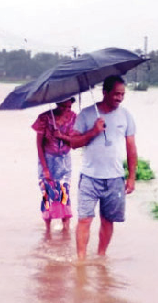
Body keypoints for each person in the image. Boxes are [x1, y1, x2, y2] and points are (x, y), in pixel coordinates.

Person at [56, 75, 138, 260]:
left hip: (115, 178)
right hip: (90, 177)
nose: (119, 98)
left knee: (108, 221)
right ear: (105, 93)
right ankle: (81, 262)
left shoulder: (126, 116)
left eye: (122, 94)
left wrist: (132, 176)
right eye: (116, 94)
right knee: (84, 219)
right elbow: (74, 143)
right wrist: (93, 131)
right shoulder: (86, 114)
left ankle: (101, 256)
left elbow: (131, 147)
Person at [31, 97, 77, 234]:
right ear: (57, 104)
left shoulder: (75, 118)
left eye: (69, 107)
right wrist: (45, 168)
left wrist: (61, 136)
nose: (66, 110)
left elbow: (75, 142)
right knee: (47, 193)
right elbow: (39, 145)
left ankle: (66, 229)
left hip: (64, 161)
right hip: (47, 160)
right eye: (63, 107)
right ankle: (47, 231)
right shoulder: (44, 118)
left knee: (64, 193)